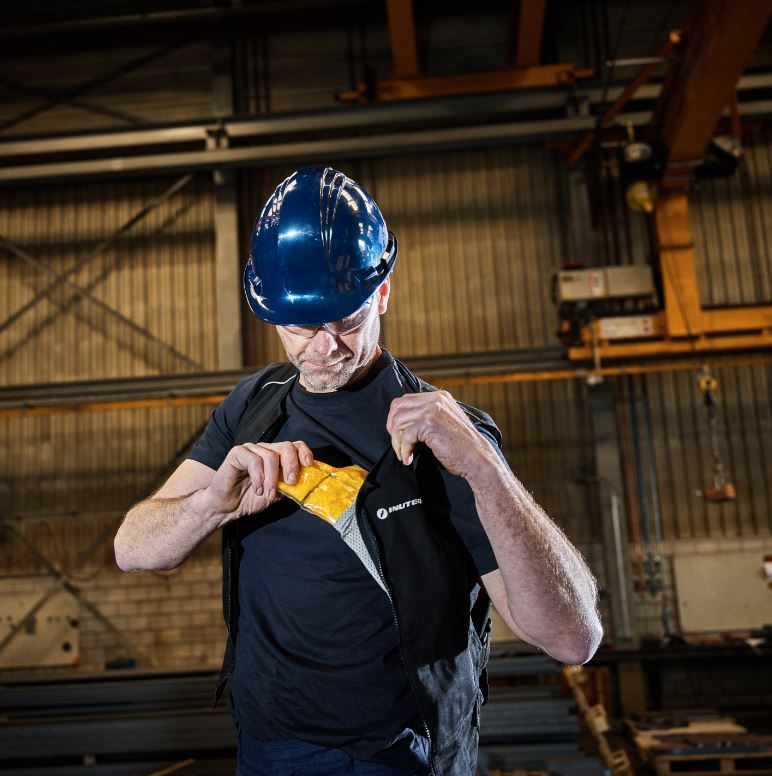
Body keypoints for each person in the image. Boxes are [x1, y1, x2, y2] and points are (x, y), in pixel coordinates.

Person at [115, 165, 602, 776]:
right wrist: (209, 504)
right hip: (267, 750)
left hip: (398, 758)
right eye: (301, 327)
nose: (323, 348)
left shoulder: (446, 438)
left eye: (346, 321)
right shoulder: (253, 406)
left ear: (383, 294)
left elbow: (571, 639)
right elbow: (133, 549)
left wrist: (486, 469)